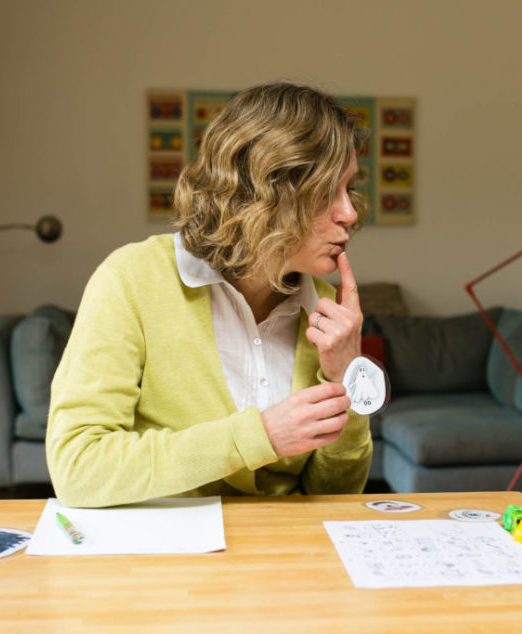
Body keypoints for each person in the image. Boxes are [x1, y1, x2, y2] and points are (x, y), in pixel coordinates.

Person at [46, 82, 372, 508]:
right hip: (160, 562)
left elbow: (334, 499)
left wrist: (345, 377)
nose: (349, 212)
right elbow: (78, 468)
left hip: (281, 561)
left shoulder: (327, 312)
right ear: (266, 191)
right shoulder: (131, 280)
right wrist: (259, 436)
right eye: (329, 190)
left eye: (348, 189)